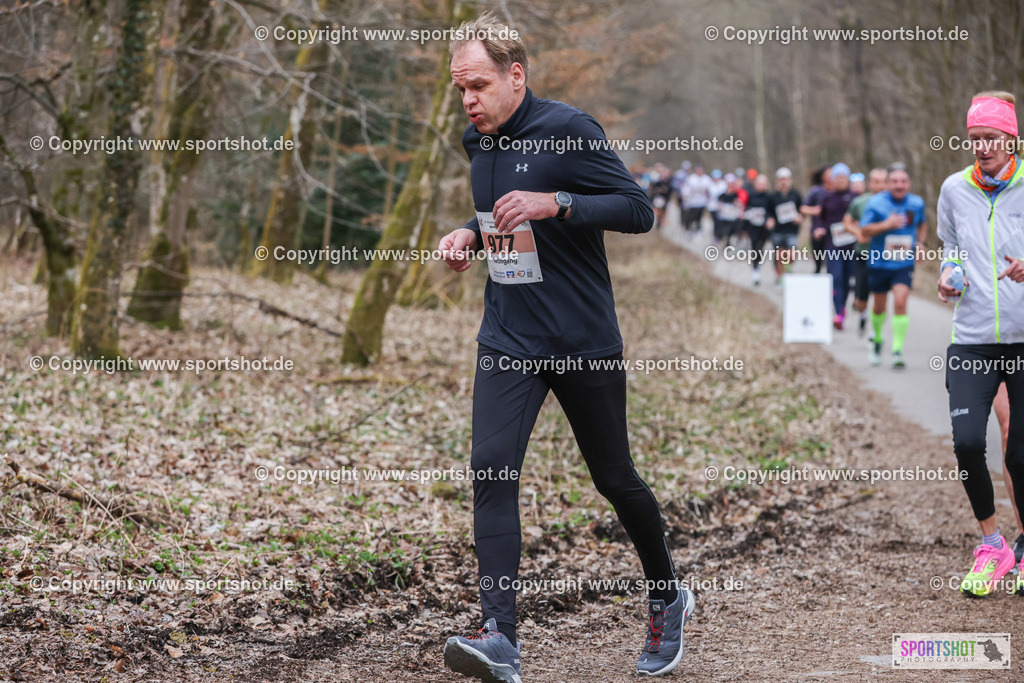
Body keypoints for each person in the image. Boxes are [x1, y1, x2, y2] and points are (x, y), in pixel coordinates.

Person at [437, 14, 693, 679]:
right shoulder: (477, 141)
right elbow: (498, 212)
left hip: (581, 338)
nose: (469, 100)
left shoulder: (571, 130)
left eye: (479, 84)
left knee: (614, 477)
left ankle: (667, 592)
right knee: (491, 469)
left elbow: (639, 209)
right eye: (460, 88)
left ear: (516, 75)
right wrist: (469, 232)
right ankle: (501, 636)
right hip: (509, 334)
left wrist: (560, 202)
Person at [935, 90, 1024, 597]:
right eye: (974, 139)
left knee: (1020, 455)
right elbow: (950, 246)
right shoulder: (954, 188)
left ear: (1011, 138)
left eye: (991, 137)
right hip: (971, 339)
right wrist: (949, 275)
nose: (982, 147)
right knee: (968, 444)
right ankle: (993, 544)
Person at [860, 163, 927, 368]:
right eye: (895, 181)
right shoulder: (876, 203)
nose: (899, 185)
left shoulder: (916, 203)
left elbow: (922, 223)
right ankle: (878, 340)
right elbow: (864, 231)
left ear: (909, 183)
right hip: (879, 263)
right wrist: (886, 225)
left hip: (903, 262)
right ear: (888, 183)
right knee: (879, 307)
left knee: (900, 301)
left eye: (903, 181)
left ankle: (897, 350)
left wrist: (921, 243)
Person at [813, 163, 859, 330]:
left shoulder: (855, 197)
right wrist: (819, 229)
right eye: (837, 178)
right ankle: (837, 312)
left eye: (843, 178)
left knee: (846, 280)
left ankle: (843, 307)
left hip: (851, 246)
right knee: (836, 277)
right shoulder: (827, 198)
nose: (840, 181)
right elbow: (821, 218)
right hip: (832, 245)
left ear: (848, 179)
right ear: (832, 180)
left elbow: (863, 217)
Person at [845, 168, 887, 336]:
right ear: (870, 184)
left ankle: (875, 331)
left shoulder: (894, 203)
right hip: (863, 254)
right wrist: (858, 233)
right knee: (861, 301)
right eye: (876, 182)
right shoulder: (859, 202)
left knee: (879, 296)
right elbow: (846, 222)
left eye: (884, 182)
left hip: (884, 257)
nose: (880, 186)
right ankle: (862, 314)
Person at [769, 167, 803, 286]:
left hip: (792, 230)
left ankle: (788, 268)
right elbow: (769, 212)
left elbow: (801, 210)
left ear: (790, 180)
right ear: (778, 181)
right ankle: (781, 277)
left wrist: (800, 217)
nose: (784, 181)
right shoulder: (773, 196)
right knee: (779, 255)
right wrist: (769, 220)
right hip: (778, 231)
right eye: (781, 179)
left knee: (791, 255)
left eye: (786, 179)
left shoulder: (796, 195)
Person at [744, 174, 775, 285]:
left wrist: (771, 219)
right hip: (753, 227)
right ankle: (755, 269)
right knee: (754, 246)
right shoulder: (750, 195)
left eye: (764, 184)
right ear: (755, 184)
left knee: (761, 247)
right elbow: (744, 209)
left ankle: (758, 265)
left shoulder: (769, 197)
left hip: (764, 227)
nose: (762, 186)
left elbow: (772, 211)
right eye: (760, 183)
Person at [802, 166, 832, 274]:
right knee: (818, 259)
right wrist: (816, 210)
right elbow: (803, 208)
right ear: (822, 177)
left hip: (833, 232)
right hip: (817, 230)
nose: (830, 177)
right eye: (828, 175)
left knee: (833, 261)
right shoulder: (816, 191)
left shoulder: (838, 191)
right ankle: (818, 277)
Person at [682, 166, 712, 235]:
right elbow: (686, 189)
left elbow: (710, 190)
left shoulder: (706, 179)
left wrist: (707, 193)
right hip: (692, 202)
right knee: (691, 216)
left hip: (702, 202)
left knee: (699, 217)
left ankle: (698, 230)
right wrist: (686, 197)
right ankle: (688, 229)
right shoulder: (691, 178)